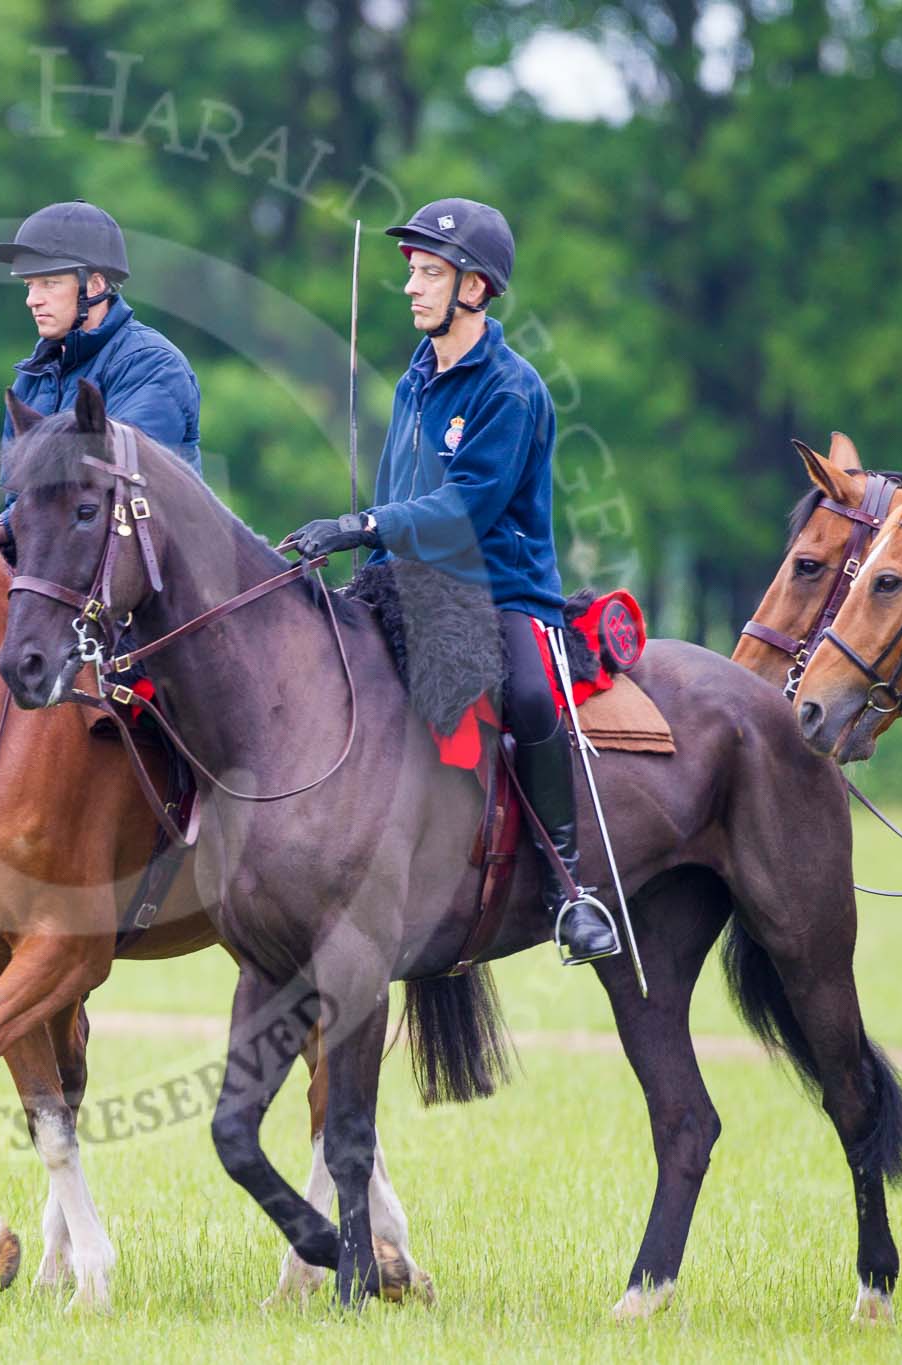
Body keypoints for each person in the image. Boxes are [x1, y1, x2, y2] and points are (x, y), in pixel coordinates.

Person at [290, 198, 618, 965]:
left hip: (501, 592)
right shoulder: (414, 376)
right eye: (413, 272)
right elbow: (401, 485)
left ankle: (570, 889)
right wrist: (364, 564)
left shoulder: (510, 388)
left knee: (531, 695)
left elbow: (462, 509)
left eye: (430, 273)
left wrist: (362, 525)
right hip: (404, 584)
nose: (412, 287)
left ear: (475, 288)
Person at [0, 200, 202, 546]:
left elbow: (110, 483)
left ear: (95, 285)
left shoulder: (152, 363)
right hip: (60, 565)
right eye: (29, 285)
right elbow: (20, 499)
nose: (32, 300)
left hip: (154, 573)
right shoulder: (33, 377)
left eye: (49, 283)